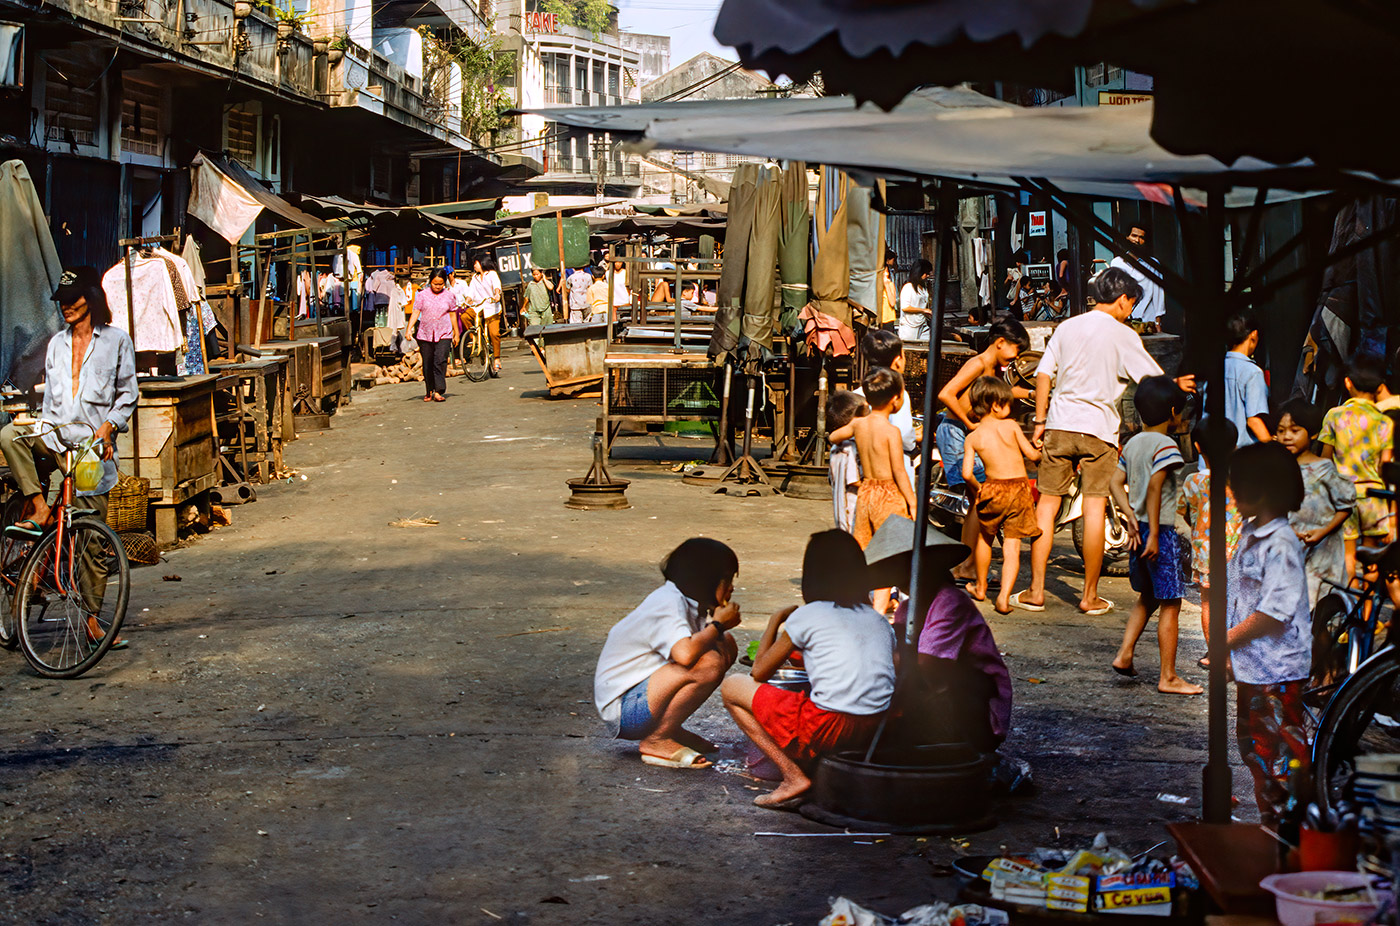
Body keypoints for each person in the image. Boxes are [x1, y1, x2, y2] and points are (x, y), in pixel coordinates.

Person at [1019, 268, 1196, 615]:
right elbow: (1152, 380)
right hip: (1099, 429)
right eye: (1131, 303)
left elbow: (1043, 373)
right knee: (1095, 507)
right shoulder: (1123, 335)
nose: (1130, 310)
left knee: (1047, 505)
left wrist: (1040, 421)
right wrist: (1177, 384)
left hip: (1059, 423)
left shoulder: (1067, 327)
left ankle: (1036, 591)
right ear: (1122, 299)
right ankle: (1089, 596)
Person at [721, 530, 895, 809]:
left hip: (828, 725)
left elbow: (759, 672)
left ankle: (792, 777)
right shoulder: (877, 619)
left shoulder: (807, 615)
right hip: (878, 726)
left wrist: (774, 622)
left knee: (732, 686)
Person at [1, 267, 138, 537]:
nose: (66, 306)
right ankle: (39, 506)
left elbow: (128, 393)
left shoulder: (117, 341)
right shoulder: (56, 344)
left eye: (73, 299)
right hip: (55, 441)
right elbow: (50, 400)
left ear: (91, 298)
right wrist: (37, 423)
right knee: (10, 435)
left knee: (92, 542)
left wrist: (109, 426)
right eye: (63, 300)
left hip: (91, 449)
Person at [593, 538, 741, 770]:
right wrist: (718, 625)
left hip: (642, 698)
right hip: (624, 712)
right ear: (705, 581)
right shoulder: (667, 603)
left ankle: (669, 728)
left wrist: (718, 628)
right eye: (728, 580)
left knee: (725, 644)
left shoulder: (691, 603)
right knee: (708, 662)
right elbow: (684, 655)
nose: (732, 588)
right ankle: (657, 739)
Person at [1226, 441, 1312, 825]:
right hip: (1253, 666)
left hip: (1276, 670)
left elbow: (1272, 614)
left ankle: (1289, 826)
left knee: (1278, 752)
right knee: (1254, 747)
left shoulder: (1281, 544)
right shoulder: (1249, 534)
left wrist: (1225, 642)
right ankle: (1273, 819)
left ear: (1258, 492)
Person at [1108, 376, 1199, 695]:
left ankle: (1125, 654)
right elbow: (1156, 487)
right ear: (1174, 411)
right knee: (1171, 602)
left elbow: (1115, 483)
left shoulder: (1133, 444)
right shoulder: (1166, 446)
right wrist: (1155, 533)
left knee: (1147, 597)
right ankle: (1168, 676)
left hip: (1139, 529)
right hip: (1159, 531)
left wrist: (1131, 517)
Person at [935, 318, 1032, 580]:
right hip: (957, 431)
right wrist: (969, 424)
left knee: (977, 503)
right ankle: (966, 566)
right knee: (981, 500)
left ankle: (966, 565)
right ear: (1001, 343)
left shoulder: (992, 368)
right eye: (1016, 351)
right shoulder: (978, 363)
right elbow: (946, 394)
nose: (1016, 358)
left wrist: (1026, 393)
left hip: (967, 433)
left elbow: (998, 392)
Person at [963, 377, 1042, 614]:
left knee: (984, 539)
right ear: (996, 405)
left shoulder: (973, 437)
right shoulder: (1011, 426)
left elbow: (967, 473)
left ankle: (980, 586)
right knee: (1012, 546)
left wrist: (980, 490)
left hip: (992, 488)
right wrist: (1039, 450)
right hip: (1018, 489)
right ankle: (1004, 599)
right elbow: (1032, 456)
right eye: (1008, 404)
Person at [1176, 416, 1245, 668]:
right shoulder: (1240, 480)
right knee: (1238, 604)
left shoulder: (1192, 482)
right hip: (1238, 552)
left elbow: (1185, 512)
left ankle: (1216, 654)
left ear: (1197, 447)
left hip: (1205, 554)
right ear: (1234, 446)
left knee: (1209, 605)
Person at [1319, 352, 1393, 582]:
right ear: (1379, 386)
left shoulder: (1334, 415)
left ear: (1347, 382)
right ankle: (1367, 615)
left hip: (1345, 495)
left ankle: (1348, 611)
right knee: (1371, 560)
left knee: (1348, 556)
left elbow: (1325, 460)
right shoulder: (1384, 422)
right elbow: (1386, 467)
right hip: (1374, 497)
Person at [1277, 398, 1355, 609]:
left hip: (1323, 552)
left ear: (1312, 433)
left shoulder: (1324, 468)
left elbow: (1346, 506)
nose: (1287, 437)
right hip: (1289, 550)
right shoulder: (1279, 469)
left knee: (1318, 610)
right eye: (1281, 431)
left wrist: (1323, 531)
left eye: (1294, 430)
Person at [829, 367, 916, 549]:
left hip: (866, 492)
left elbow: (833, 437)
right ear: (895, 399)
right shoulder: (892, 432)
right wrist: (913, 502)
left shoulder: (858, 425)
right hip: (888, 493)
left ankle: (865, 576)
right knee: (892, 546)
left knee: (864, 544)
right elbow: (899, 471)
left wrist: (852, 431)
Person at [857, 330, 919, 486]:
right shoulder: (898, 393)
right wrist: (915, 437)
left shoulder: (858, 392)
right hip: (893, 472)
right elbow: (904, 435)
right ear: (898, 360)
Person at [402, 268, 459, 403]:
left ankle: (439, 390)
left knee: (440, 360)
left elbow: (452, 315)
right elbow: (416, 313)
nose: (438, 286)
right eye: (435, 284)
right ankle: (429, 390)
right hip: (425, 333)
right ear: (430, 282)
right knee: (427, 363)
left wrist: (456, 332)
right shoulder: (422, 295)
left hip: (444, 332)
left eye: (440, 284)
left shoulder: (449, 296)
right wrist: (409, 329)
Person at [1221, 312, 1271, 446]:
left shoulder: (1217, 367)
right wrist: (1276, 450)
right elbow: (1254, 421)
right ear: (1253, 335)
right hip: (1240, 456)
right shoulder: (1252, 373)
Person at [827, 389, 868, 534]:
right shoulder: (850, 447)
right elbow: (854, 481)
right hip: (852, 510)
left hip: (840, 510)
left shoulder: (835, 447)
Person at [1109, 224, 1164, 331]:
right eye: (1134, 236)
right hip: (1123, 321)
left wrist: (1158, 322)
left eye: (1141, 237)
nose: (1137, 240)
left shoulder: (1153, 264)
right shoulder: (1117, 263)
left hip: (1147, 322)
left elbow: (1159, 293)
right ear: (1127, 237)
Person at [470, 256, 503, 377]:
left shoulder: (492, 274)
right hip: (479, 307)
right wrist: (467, 300)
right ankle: (475, 337)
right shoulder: (474, 278)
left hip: (492, 308)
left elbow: (497, 286)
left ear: (482, 263)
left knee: (494, 333)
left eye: (476, 263)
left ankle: (497, 359)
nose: (474, 265)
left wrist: (497, 295)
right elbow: (470, 293)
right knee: (464, 317)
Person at [897, 259, 933, 341]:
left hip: (922, 324)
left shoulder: (923, 288)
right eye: (926, 273)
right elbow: (905, 308)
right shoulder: (908, 287)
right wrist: (924, 310)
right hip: (909, 327)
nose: (927, 276)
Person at [878, 250, 899, 330]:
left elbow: (892, 302)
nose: (886, 274)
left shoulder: (890, 284)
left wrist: (886, 285)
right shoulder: (876, 287)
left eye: (886, 272)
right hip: (879, 319)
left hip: (888, 318)